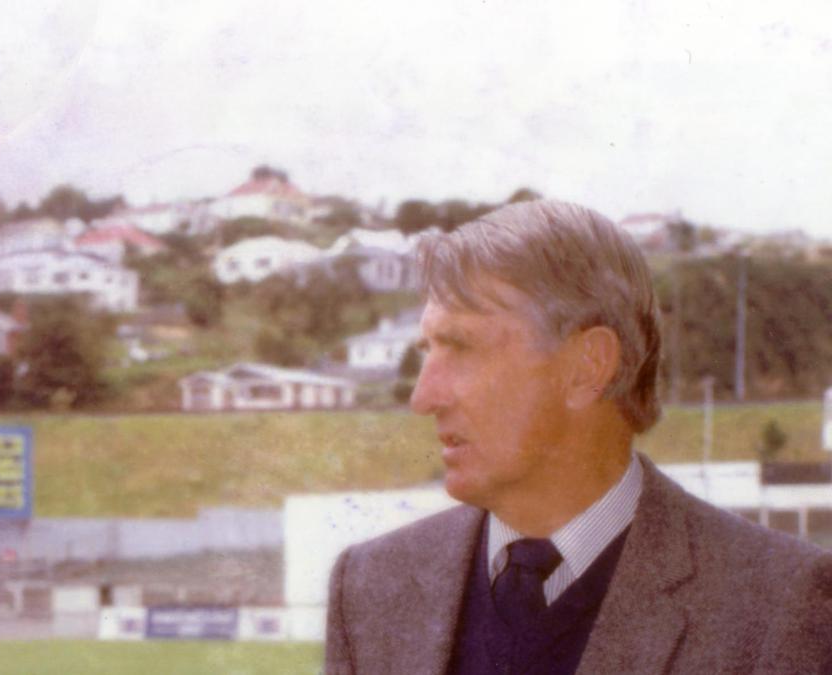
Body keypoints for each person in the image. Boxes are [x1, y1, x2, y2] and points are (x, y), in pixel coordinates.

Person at [324, 200, 832, 674]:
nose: (423, 397)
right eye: (427, 351)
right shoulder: (370, 587)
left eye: (461, 348)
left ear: (588, 365)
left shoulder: (780, 605)